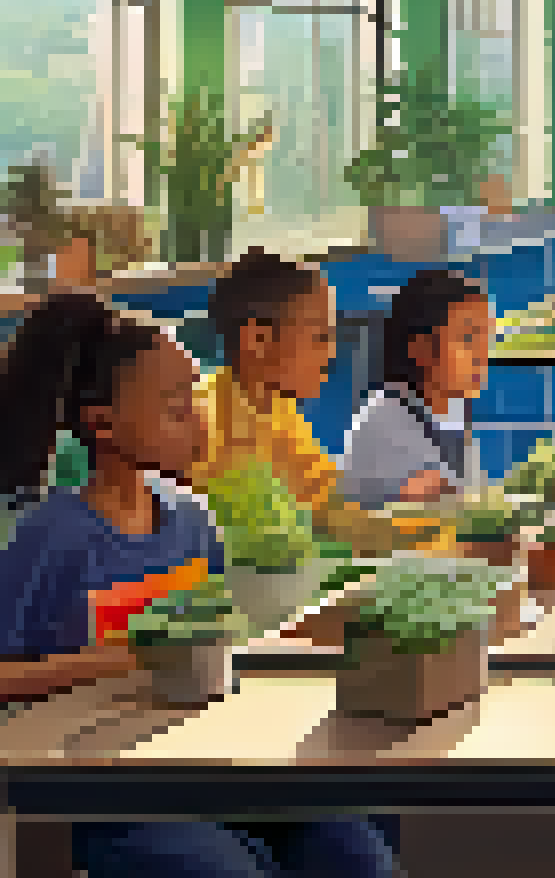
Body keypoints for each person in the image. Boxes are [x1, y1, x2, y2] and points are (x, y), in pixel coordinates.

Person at [0, 293, 397, 878]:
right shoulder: (49, 533)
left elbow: (219, 636)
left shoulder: (191, 516)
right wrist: (121, 660)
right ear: (102, 422)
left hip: (207, 757)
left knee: (353, 846)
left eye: (194, 398)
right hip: (108, 789)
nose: (198, 420)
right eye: (174, 407)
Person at [190, 248, 342, 512]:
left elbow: (332, 505)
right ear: (257, 339)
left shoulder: (278, 410)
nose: (331, 353)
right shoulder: (203, 427)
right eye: (320, 337)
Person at [341, 269, 494, 509]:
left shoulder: (449, 414)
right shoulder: (382, 420)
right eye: (468, 338)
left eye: (487, 340)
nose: (481, 355)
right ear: (421, 349)